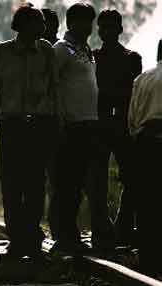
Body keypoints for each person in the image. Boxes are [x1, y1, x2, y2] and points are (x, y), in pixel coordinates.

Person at [0, 4, 57, 261]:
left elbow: (55, 89)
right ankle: (16, 240)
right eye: (39, 22)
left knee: (35, 185)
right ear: (22, 25)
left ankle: (31, 240)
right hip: (12, 127)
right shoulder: (2, 52)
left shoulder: (46, 52)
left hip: (40, 127)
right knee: (11, 185)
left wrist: (58, 123)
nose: (44, 28)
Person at [52, 2, 113, 255]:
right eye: (82, 21)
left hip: (89, 125)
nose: (88, 27)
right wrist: (61, 121)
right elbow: (53, 86)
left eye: (90, 22)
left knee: (83, 184)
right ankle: (64, 237)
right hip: (71, 125)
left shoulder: (86, 50)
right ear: (71, 23)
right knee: (68, 184)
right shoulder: (62, 50)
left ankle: (72, 236)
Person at [94, 10, 143, 247]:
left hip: (123, 125)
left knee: (132, 178)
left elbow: (133, 95)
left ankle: (122, 226)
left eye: (111, 27)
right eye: (103, 27)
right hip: (100, 126)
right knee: (97, 180)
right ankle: (103, 230)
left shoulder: (132, 58)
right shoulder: (93, 58)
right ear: (99, 30)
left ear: (120, 29)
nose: (107, 31)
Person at [128, 39, 162, 278]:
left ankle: (148, 258)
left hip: (144, 142)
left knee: (147, 202)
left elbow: (132, 118)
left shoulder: (142, 79)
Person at [41, 7, 63, 239]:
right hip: (37, 123)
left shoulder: (57, 50)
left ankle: (58, 229)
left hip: (59, 122)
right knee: (37, 181)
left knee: (58, 180)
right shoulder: (35, 51)